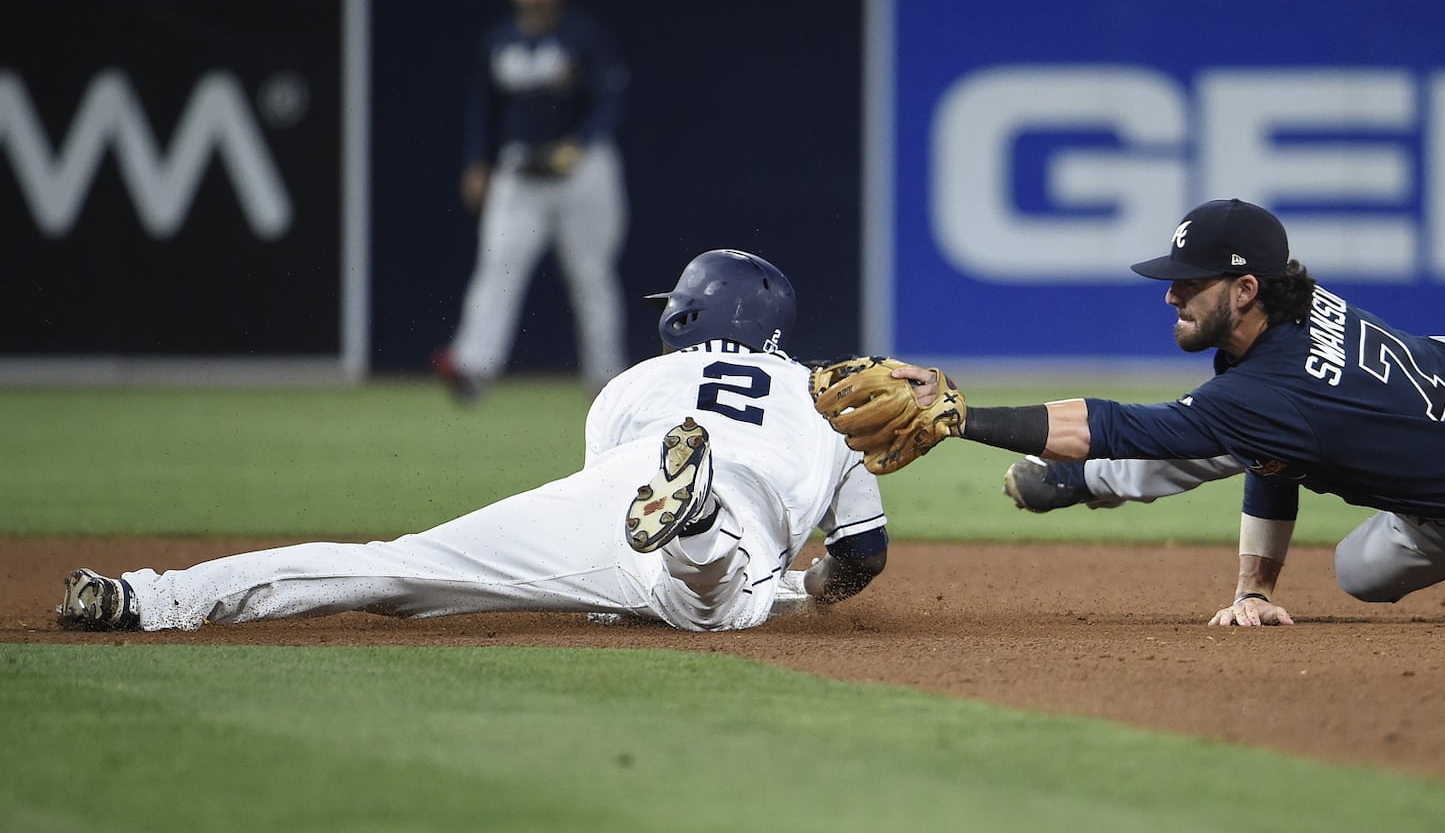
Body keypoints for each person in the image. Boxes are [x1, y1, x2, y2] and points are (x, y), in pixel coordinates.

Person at [57, 250, 889, 634]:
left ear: (692, 314)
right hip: (734, 505)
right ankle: (701, 524)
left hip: (627, 487)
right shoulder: (835, 398)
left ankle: (149, 597)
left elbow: (610, 499)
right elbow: (864, 558)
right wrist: (813, 584)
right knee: (713, 605)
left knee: (393, 566)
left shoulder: (636, 383)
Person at [880, 198, 1445, 627]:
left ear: (1244, 288)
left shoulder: (1266, 390)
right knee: (1237, 424)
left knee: (1358, 574)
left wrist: (961, 415)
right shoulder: (1291, 308)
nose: (1170, 295)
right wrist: (1254, 589)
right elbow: (1269, 436)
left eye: (1188, 282)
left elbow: (1115, 427)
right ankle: (1091, 482)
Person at [434, 0, 630, 402]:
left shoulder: (584, 35)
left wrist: (578, 143)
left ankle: (605, 378)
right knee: (497, 265)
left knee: (591, 274)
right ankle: (471, 367)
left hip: (583, 165)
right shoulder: (499, 39)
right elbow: (483, 108)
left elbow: (611, 98)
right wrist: (477, 162)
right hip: (521, 164)